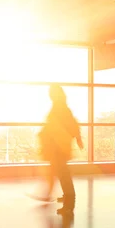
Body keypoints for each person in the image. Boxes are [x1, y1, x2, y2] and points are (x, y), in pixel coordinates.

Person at [38, 84, 83, 215]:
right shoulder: (60, 107)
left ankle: (69, 203)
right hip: (59, 146)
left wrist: (78, 137)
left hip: (59, 146)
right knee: (61, 172)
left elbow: (69, 124)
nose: (49, 95)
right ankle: (67, 196)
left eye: (51, 92)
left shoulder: (60, 108)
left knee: (63, 174)